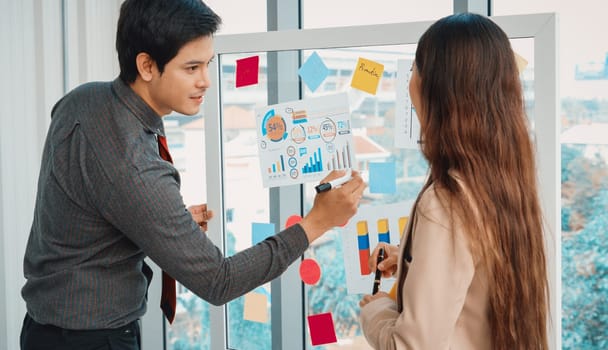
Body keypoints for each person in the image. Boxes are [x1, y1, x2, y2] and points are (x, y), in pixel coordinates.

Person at [19, 0, 366, 349]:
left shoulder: (82, 100)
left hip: (41, 329)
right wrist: (318, 222)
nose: (206, 82)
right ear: (147, 65)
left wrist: (159, 220)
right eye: (191, 68)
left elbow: (91, 201)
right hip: (92, 341)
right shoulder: (135, 165)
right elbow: (219, 281)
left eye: (209, 64)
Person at [358, 13, 549, 350]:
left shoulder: (445, 203)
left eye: (415, 70)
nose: (409, 83)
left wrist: (375, 312)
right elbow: (476, 275)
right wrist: (407, 260)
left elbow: (410, 346)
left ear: (435, 87)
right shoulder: (504, 181)